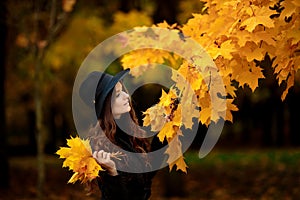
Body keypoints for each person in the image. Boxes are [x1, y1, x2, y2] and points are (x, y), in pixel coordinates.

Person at [79, 69, 160, 200]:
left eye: (122, 90)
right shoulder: (100, 146)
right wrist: (112, 172)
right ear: (106, 105)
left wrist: (166, 132)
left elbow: (147, 173)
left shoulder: (127, 133)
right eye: (117, 95)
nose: (126, 96)